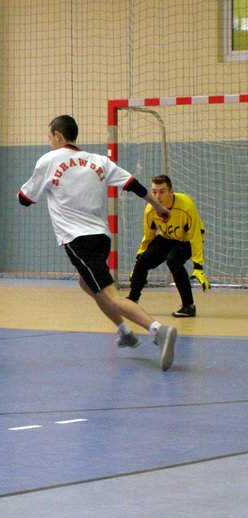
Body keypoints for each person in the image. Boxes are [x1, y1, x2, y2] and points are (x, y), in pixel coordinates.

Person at [18, 115, 178, 371]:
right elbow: (133, 185)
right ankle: (125, 331)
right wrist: (158, 206)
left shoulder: (49, 160)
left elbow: (25, 199)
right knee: (86, 283)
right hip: (101, 237)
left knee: (110, 294)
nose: (50, 142)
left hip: (78, 240)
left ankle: (158, 330)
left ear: (57, 135)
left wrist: (35, 189)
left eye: (50, 137)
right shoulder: (99, 161)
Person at [127, 174, 208, 317]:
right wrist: (138, 261)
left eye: (162, 192)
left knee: (173, 260)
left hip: (186, 240)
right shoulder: (150, 210)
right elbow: (148, 237)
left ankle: (189, 306)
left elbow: (195, 236)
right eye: (154, 192)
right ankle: (132, 301)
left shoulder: (186, 205)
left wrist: (198, 266)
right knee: (143, 261)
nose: (157, 196)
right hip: (167, 238)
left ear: (171, 192)